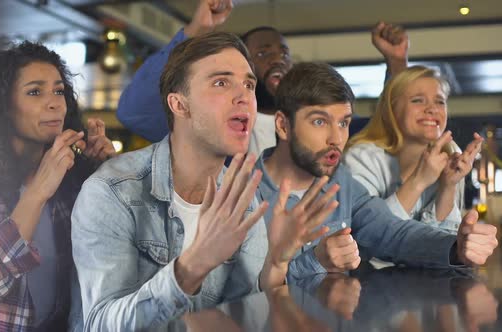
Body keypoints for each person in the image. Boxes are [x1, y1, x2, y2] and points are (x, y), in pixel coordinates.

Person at [71, 32, 336, 331]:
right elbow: (100, 324)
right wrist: (193, 265)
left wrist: (276, 264)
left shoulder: (244, 197)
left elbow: (245, 311)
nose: (244, 96)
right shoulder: (112, 190)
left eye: (249, 84)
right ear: (179, 105)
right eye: (221, 82)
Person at [0, 41, 116, 331]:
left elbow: (109, 259)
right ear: (2, 106)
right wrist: (38, 191)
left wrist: (106, 175)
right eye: (35, 91)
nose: (54, 102)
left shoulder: (70, 174)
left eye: (59, 90)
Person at [254, 62, 497, 278]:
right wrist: (314, 262)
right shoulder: (243, 195)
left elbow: (391, 231)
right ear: (283, 125)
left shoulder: (339, 181)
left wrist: (456, 248)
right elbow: (236, 297)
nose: (336, 138)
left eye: (344, 123)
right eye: (320, 121)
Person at [116, 0, 410, 155]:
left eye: (284, 53)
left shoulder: (320, 125)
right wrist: (197, 31)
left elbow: (384, 132)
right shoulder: (215, 126)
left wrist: (396, 63)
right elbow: (135, 112)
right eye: (263, 53)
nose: (278, 58)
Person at [344, 66, 483, 233]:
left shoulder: (449, 158)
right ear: (392, 110)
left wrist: (448, 185)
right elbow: (368, 236)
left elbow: (441, 243)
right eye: (418, 100)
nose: (432, 109)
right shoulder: (362, 157)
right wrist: (419, 181)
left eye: (440, 101)